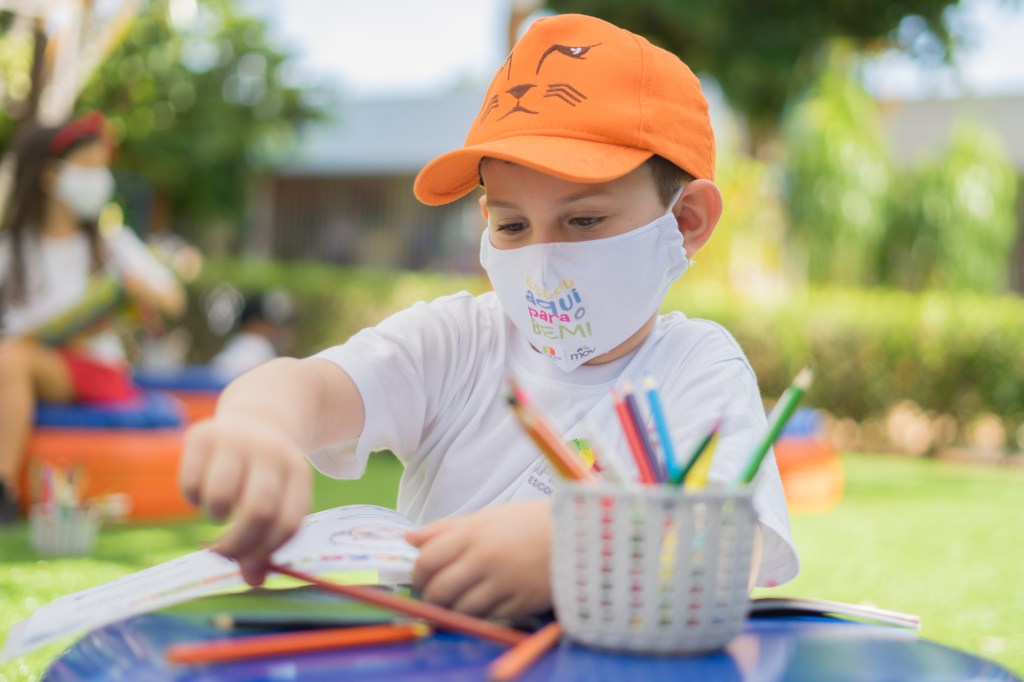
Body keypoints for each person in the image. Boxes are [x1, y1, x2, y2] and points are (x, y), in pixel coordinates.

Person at [180, 14, 798, 617]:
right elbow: (312, 388)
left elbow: (730, 551)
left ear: (686, 220)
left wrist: (575, 547)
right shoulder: (456, 342)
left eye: (584, 220)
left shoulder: (697, 367)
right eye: (512, 225)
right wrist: (259, 425)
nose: (543, 258)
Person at [0, 112, 186, 523]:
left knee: (10, 358)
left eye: (102, 168)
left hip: (95, 370)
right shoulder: (13, 248)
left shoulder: (111, 243)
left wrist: (135, 289)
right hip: (31, 366)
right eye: (89, 168)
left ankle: (4, 490)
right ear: (51, 177)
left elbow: (174, 298)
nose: (100, 179)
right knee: (12, 356)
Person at [211, 289, 296, 379]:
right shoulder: (258, 346)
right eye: (270, 323)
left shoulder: (237, 342)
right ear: (253, 322)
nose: (277, 330)